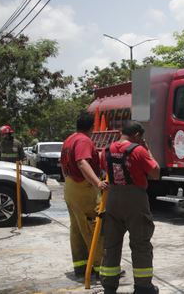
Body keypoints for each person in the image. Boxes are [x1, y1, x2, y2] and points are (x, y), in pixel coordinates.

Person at [99, 120, 160, 294]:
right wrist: (147, 149)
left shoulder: (106, 150)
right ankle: (143, 286)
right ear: (137, 136)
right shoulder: (139, 151)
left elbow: (105, 170)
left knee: (111, 244)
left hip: (112, 199)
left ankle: (109, 286)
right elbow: (155, 173)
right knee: (140, 243)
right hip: (135, 201)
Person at [60, 112, 108, 278]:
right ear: (92, 127)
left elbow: (65, 164)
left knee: (78, 228)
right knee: (93, 226)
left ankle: (81, 266)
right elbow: (82, 162)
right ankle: (100, 267)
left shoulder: (69, 139)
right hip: (83, 188)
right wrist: (97, 183)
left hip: (70, 187)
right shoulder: (83, 140)